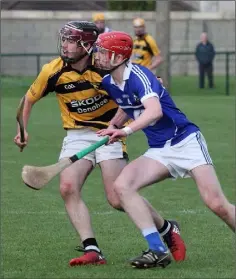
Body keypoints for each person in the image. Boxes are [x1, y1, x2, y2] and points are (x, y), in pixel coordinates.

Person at [14, 21, 186, 267]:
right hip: (76, 134)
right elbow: (27, 100)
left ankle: (167, 228)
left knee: (117, 198)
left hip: (110, 131)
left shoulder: (106, 67)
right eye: (64, 39)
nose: (64, 44)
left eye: (71, 40)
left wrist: (119, 125)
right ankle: (92, 250)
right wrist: (22, 130)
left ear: (86, 45)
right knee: (67, 187)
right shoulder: (52, 71)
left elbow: (136, 91)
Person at [95, 31, 236, 269]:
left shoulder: (140, 75)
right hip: (160, 150)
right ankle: (157, 249)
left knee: (216, 203)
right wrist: (113, 126)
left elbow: (154, 111)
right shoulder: (109, 82)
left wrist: (125, 132)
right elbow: (128, 105)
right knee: (122, 187)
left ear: (118, 57)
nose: (97, 56)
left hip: (186, 141)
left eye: (101, 52)